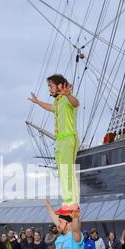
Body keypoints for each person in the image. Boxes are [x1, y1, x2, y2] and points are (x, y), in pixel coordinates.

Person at [29, 74, 80, 214]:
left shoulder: (67, 99)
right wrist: (38, 102)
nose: (49, 89)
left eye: (50, 86)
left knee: (68, 171)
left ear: (59, 86)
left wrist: (68, 94)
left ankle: (72, 205)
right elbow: (50, 107)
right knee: (62, 172)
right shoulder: (58, 102)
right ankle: (67, 203)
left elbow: (76, 103)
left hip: (69, 138)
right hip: (60, 140)